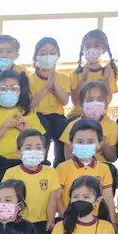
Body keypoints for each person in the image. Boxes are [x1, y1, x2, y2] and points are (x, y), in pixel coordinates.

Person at [1, 129, 61, 234]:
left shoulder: (51, 172)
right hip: (18, 222)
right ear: (18, 153)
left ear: (44, 151)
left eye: (38, 147)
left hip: (42, 223)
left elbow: (53, 199)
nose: (34, 151)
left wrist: (51, 220)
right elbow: (6, 198)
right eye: (28, 148)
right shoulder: (11, 173)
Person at [0, 70, 45, 170]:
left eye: (14, 88)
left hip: (24, 161)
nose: (8, 92)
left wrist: (26, 130)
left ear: (21, 91)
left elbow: (41, 144)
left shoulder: (28, 112)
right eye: (3, 88)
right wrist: (2, 130)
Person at [56, 120, 116, 219]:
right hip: (68, 219)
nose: (85, 145)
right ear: (71, 142)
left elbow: (108, 199)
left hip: (94, 221)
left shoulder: (104, 169)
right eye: (80, 142)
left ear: (99, 143)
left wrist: (113, 222)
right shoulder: (62, 168)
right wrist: (64, 217)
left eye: (90, 142)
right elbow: (57, 198)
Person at [27, 37, 70, 165]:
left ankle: (60, 164)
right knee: (42, 128)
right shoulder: (30, 79)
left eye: (52, 53)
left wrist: (54, 84)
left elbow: (65, 101)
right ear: (36, 56)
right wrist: (46, 88)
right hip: (38, 115)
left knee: (63, 129)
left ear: (57, 56)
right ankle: (42, 162)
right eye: (43, 53)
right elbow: (31, 104)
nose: (47, 56)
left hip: (57, 115)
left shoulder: (63, 77)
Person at [60, 81, 118, 163]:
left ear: (106, 103)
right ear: (82, 103)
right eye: (89, 100)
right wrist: (82, 151)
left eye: (100, 99)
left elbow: (113, 158)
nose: (94, 103)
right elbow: (68, 157)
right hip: (77, 168)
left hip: (102, 168)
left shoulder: (112, 126)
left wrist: (104, 147)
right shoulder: (72, 126)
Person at [70, 30, 118, 109]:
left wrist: (106, 80)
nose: (91, 49)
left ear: (104, 49)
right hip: (78, 116)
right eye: (88, 46)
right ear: (82, 49)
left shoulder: (108, 73)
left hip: (101, 116)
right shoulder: (76, 73)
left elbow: (108, 101)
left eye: (96, 45)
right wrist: (83, 78)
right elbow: (75, 101)